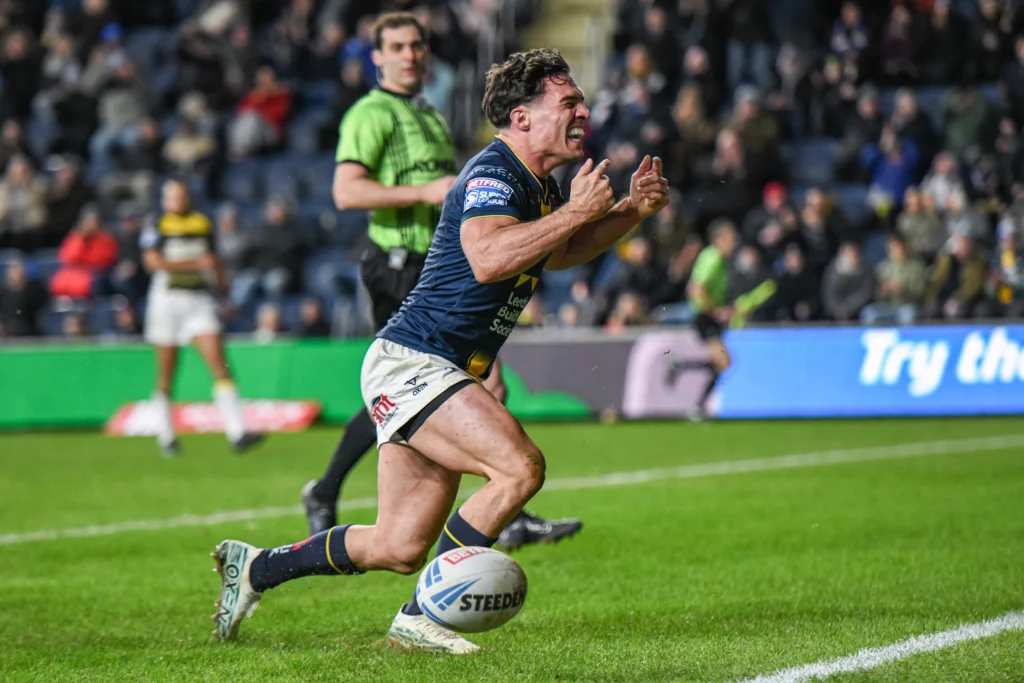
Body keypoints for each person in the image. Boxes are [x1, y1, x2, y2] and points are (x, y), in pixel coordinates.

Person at [210, 47, 670, 654]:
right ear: (522, 117)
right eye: (568, 102)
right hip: (416, 363)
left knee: (399, 546)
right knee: (520, 468)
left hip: (432, 369)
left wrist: (630, 211)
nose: (583, 112)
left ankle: (257, 567)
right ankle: (421, 616)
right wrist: (577, 212)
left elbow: (557, 252)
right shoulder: (492, 173)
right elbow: (489, 258)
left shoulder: (538, 183)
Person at [300, 13, 581, 553]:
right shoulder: (371, 113)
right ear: (377, 57)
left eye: (418, 45)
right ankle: (502, 502)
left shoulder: (428, 116)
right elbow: (346, 191)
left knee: (456, 384)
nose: (410, 55)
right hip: (399, 259)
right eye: (398, 47)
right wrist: (425, 192)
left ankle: (498, 502)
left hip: (444, 260)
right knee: (422, 378)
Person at [140, 180, 263, 457]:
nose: (177, 200)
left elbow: (214, 260)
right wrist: (195, 264)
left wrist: (223, 292)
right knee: (166, 373)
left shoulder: (202, 223)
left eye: (181, 195)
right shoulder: (156, 224)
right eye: (172, 196)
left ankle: (237, 432)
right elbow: (153, 263)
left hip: (199, 300)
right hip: (166, 301)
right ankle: (166, 434)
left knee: (220, 364)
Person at [683, 219, 739, 420]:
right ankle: (697, 405)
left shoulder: (717, 258)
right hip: (704, 317)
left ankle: (698, 405)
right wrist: (715, 311)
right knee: (724, 361)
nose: (734, 243)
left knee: (722, 362)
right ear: (719, 239)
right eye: (731, 238)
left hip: (707, 316)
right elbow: (697, 288)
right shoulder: (713, 258)